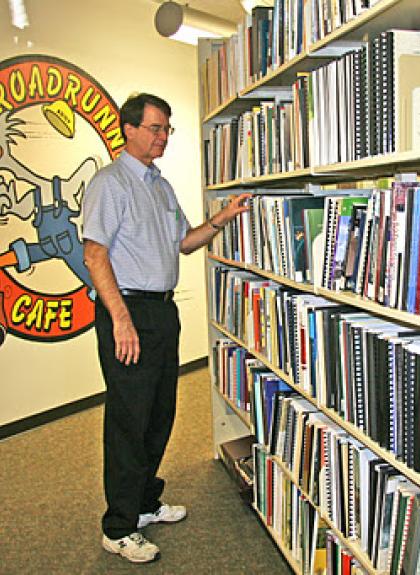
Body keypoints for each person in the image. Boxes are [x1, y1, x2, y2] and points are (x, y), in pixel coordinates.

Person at [82, 92, 250, 564]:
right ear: (128, 129)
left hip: (162, 312)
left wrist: (221, 219)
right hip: (128, 312)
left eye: (166, 129)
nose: (163, 138)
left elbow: (184, 243)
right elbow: (95, 256)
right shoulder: (109, 184)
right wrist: (120, 320)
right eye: (155, 129)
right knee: (128, 420)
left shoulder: (160, 185)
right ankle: (117, 527)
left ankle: (143, 504)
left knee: (159, 414)